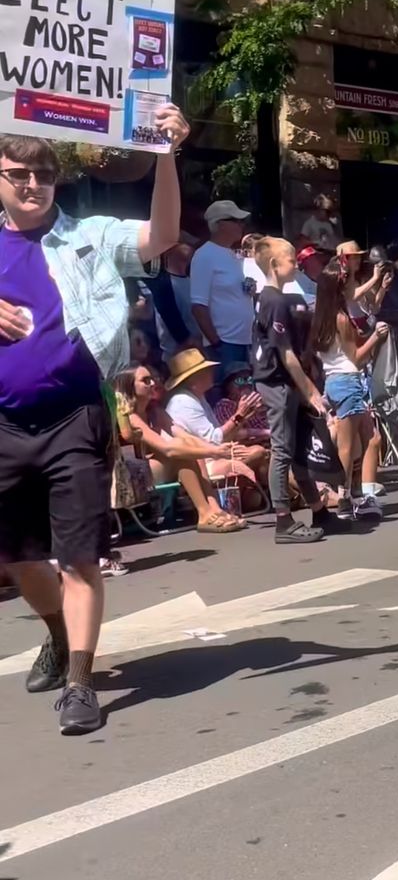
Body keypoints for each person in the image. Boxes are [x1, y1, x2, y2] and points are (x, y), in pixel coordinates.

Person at [0, 105, 190, 735]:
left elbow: (161, 235)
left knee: (79, 558)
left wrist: (165, 155)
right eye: (19, 174)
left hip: (77, 418)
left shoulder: (90, 236)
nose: (32, 185)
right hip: (5, 427)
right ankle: (57, 635)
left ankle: (81, 682)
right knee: (22, 559)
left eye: (43, 175)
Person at [252, 236, 339, 542]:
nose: (296, 264)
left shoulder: (281, 298)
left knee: (299, 446)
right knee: (282, 448)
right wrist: (311, 390)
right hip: (276, 381)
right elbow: (285, 353)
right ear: (275, 265)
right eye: (291, 260)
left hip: (288, 381)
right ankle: (282, 520)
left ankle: (318, 510)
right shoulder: (273, 300)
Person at [114, 365, 246, 533]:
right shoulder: (130, 417)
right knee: (181, 454)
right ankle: (204, 513)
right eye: (145, 381)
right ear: (129, 386)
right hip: (131, 475)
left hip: (150, 468)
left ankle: (215, 508)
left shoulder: (155, 412)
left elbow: (186, 437)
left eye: (152, 378)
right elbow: (167, 449)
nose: (153, 383)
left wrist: (216, 448)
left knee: (190, 449)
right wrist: (213, 452)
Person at [309, 260, 390, 521]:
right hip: (348, 381)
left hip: (334, 381)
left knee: (371, 437)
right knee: (347, 446)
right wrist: (376, 338)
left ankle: (360, 493)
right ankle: (345, 498)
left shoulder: (321, 317)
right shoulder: (341, 319)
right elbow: (356, 358)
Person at [164, 348, 269, 481]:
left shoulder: (198, 397)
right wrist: (239, 415)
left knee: (260, 452)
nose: (211, 372)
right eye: (205, 370)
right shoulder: (183, 401)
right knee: (257, 453)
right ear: (193, 378)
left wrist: (245, 415)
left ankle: (273, 497)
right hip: (199, 464)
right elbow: (213, 440)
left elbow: (222, 437)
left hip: (215, 455)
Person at [190, 200, 256, 379]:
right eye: (235, 220)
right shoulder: (204, 255)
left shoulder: (234, 254)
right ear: (218, 224)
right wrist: (216, 343)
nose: (241, 225)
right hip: (225, 343)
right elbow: (198, 306)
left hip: (246, 341)